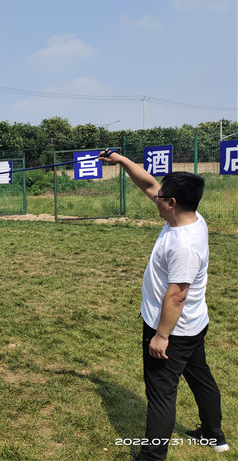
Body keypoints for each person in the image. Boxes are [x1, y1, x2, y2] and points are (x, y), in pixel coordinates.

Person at [99, 150, 229, 461]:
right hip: (195, 323)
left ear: (171, 203)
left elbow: (177, 294)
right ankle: (214, 435)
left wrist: (161, 336)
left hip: (173, 329)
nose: (155, 196)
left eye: (162, 196)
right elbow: (148, 185)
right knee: (201, 377)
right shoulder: (189, 216)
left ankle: (151, 458)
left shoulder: (183, 244)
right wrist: (122, 161)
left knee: (160, 394)